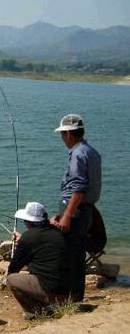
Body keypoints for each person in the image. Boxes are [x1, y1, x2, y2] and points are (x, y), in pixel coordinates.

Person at [50, 114, 102, 302]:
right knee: (77, 254)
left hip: (76, 210)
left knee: (68, 255)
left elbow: (79, 187)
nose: (63, 138)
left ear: (70, 135)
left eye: (63, 134)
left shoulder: (78, 153)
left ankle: (69, 298)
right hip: (84, 209)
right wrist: (62, 213)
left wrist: (67, 215)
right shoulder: (91, 151)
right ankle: (75, 297)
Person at [7, 202, 69, 319]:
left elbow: (13, 269)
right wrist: (23, 240)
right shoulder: (56, 231)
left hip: (53, 291)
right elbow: (40, 242)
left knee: (11, 280)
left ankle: (36, 313)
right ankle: (49, 305)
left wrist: (22, 243)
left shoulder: (28, 237)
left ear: (28, 222)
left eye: (25, 221)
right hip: (68, 289)